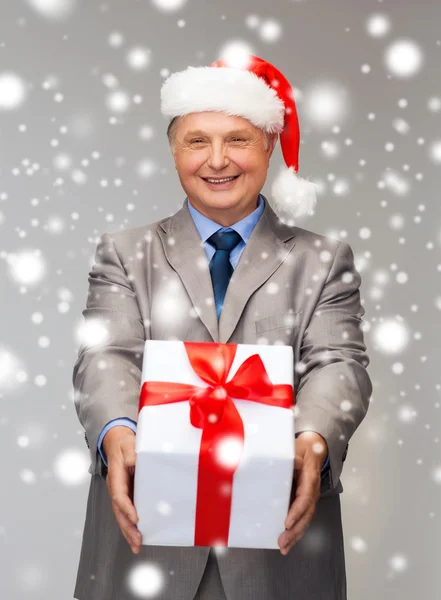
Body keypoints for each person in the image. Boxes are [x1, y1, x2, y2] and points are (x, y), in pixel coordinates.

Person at [73, 54, 372, 600]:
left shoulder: (323, 260)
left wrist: (313, 441)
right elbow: (106, 355)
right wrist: (117, 431)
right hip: (147, 540)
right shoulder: (124, 252)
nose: (216, 161)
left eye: (237, 139)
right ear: (173, 149)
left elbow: (338, 363)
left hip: (278, 551)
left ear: (268, 147)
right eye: (196, 141)